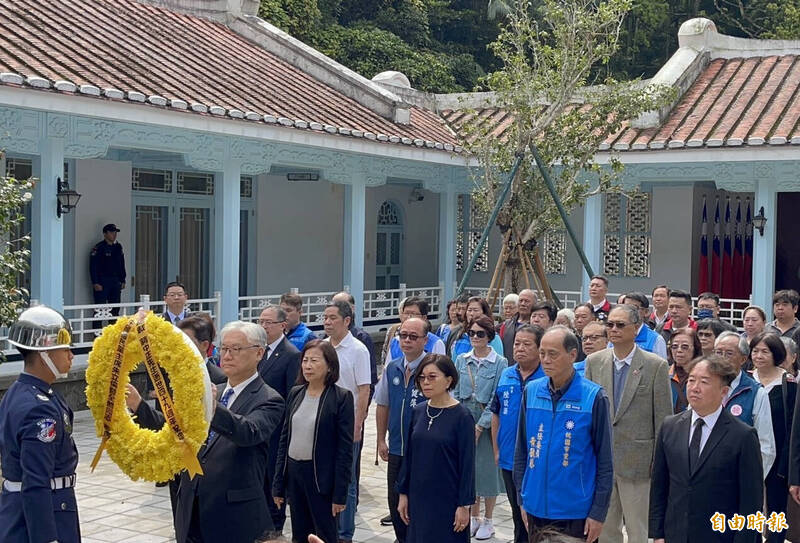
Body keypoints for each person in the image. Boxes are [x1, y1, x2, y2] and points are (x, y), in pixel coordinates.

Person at [127, 320, 285, 543]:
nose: (227, 356)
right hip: (191, 507)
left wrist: (213, 409)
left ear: (259, 353)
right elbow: (175, 427)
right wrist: (139, 406)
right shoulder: (215, 391)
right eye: (224, 349)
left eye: (236, 349)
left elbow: (248, 432)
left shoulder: (269, 399)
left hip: (233, 515)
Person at [514, 326, 613, 543]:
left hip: (575, 510)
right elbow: (522, 450)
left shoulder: (593, 397)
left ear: (572, 355)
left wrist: (598, 512)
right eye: (542, 353)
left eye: (553, 354)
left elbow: (605, 462)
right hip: (535, 506)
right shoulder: (531, 391)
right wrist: (523, 498)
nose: (546, 360)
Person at [648, 356, 763, 543]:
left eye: (704, 382)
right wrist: (657, 534)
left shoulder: (742, 436)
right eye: (692, 380)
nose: (694, 387)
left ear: (723, 391)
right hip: (676, 532)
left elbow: (751, 501)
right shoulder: (670, 426)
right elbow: (660, 486)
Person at [584, 306, 672, 543]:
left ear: (636, 328)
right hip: (602, 461)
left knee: (638, 529)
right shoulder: (594, 362)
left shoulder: (655, 365)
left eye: (620, 325)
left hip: (639, 463)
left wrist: (659, 459)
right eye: (610, 324)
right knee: (605, 529)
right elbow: (587, 414)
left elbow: (664, 418)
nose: (613, 329)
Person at [0, 306, 80, 543]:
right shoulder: (39, 408)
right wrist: (46, 537)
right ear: (45, 353)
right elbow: (36, 480)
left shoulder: (20, 391)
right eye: (65, 349)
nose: (70, 355)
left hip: (21, 511)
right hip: (43, 517)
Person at [272, 340, 355, 543]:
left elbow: (345, 450)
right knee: (299, 533)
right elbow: (285, 439)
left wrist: (339, 494)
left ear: (330, 366)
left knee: (324, 534)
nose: (308, 366)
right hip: (295, 474)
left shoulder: (341, 397)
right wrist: (278, 484)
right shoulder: (295, 393)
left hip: (321, 478)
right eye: (305, 360)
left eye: (314, 361)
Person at [396, 354, 475, 543]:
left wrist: (464, 505)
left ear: (449, 380)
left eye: (432, 377)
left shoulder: (462, 416)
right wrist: (403, 493)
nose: (426, 382)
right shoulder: (418, 411)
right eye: (422, 377)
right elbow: (409, 457)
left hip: (447, 498)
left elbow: (467, 465)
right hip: (419, 495)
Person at [375, 317, 430, 543]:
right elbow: (383, 404)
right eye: (403, 335)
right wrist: (380, 440)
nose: (406, 340)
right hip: (397, 448)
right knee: (395, 500)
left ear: (425, 340)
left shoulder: (432, 369)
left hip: (423, 452)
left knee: (419, 503)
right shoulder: (393, 367)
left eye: (413, 336)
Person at [454, 314, 508, 540]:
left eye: (480, 334)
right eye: (472, 333)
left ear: (490, 336)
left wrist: (480, 426)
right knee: (469, 470)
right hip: (465, 417)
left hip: (488, 422)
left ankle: (488, 518)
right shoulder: (461, 359)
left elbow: (497, 397)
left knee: (487, 471)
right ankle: (474, 516)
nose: (475, 338)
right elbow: (455, 392)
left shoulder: (500, 363)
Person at [490, 324, 545, 543]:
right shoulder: (506, 374)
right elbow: (496, 413)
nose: (519, 348)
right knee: (516, 512)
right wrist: (496, 449)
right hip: (508, 459)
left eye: (526, 344)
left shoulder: (546, 377)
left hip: (537, 460)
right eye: (516, 343)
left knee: (535, 514)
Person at [323, 301, 370, 543]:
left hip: (347, 425)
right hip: (323, 424)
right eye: (325, 317)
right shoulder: (321, 347)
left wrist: (358, 424)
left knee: (347, 480)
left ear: (347, 321)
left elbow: (364, 389)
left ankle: (345, 533)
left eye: (333, 318)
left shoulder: (358, 350)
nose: (327, 322)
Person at [256, 304, 301, 539]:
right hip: (256, 426)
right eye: (260, 321)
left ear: (282, 326)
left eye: (268, 322)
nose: (263, 326)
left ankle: (275, 524)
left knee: (274, 478)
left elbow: (292, 395)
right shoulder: (258, 350)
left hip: (277, 428)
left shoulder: (291, 354)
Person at [750, 332, 796, 543]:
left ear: (776, 354)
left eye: (765, 351)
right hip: (750, 452)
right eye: (755, 351)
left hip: (779, 454)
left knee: (777, 507)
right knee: (751, 504)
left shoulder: (790, 384)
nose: (758, 356)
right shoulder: (746, 380)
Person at [714, 331, 776, 477]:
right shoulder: (704, 386)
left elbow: (765, 446)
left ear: (742, 359)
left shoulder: (756, 393)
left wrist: (752, 481)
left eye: (729, 353)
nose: (722, 359)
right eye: (718, 352)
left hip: (740, 475)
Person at [385, 297, 446, 365]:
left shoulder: (436, 343)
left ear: (424, 318)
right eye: (406, 313)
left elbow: (440, 370)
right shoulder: (395, 341)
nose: (409, 317)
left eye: (413, 314)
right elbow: (388, 369)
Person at [90, 223, 126, 317]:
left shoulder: (118, 247)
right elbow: (93, 266)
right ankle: (96, 331)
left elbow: (121, 264)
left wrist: (123, 279)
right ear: (105, 234)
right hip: (102, 281)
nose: (114, 234)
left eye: (115, 232)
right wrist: (95, 282)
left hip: (115, 281)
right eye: (111, 232)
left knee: (115, 308)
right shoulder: (99, 248)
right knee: (99, 309)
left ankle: (113, 330)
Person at [620, 292, 668, 360]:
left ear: (646, 312)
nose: (629, 311)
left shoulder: (656, 340)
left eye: (634, 308)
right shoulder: (616, 334)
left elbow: (661, 368)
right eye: (626, 307)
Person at [668, 328, 702, 413]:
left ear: (695, 348)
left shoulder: (703, 375)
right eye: (674, 346)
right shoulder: (663, 374)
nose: (679, 350)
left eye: (685, 347)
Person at [500, 289, 536, 362]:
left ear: (534, 304)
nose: (523, 304)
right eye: (521, 301)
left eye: (527, 301)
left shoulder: (536, 326)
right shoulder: (506, 325)